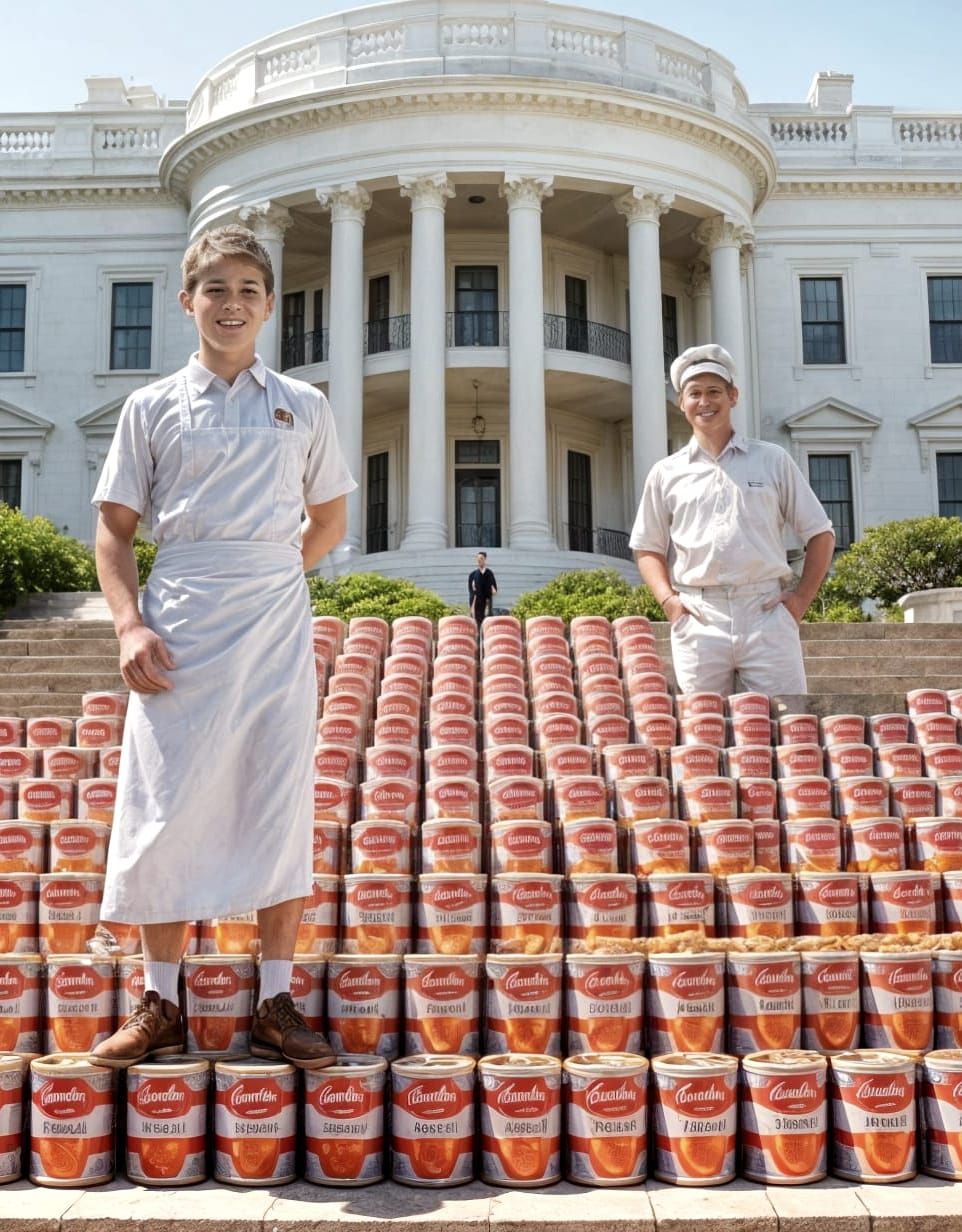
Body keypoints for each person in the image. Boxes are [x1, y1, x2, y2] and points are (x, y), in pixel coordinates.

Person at [89, 224, 357, 1069]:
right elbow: (114, 530)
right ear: (188, 301)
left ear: (269, 304)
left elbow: (330, 520)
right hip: (180, 624)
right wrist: (131, 623)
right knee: (165, 805)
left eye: (247, 289)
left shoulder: (304, 405)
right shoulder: (151, 406)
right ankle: (160, 1002)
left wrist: (273, 573)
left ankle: (275, 999)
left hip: (275, 625)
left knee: (276, 803)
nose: (231, 303)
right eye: (215, 288)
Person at [630, 343, 835, 696]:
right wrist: (669, 602)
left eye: (714, 392)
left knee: (788, 726)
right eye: (694, 393)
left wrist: (799, 600)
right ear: (681, 402)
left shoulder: (772, 460)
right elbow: (647, 546)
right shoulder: (666, 473)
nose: (705, 402)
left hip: (765, 611)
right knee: (703, 732)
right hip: (698, 615)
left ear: (733, 396)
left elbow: (821, 533)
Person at [468, 551, 497, 628]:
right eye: (477, 559)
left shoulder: (489, 573)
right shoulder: (472, 575)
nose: (479, 560)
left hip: (486, 603)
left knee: (487, 623)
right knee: (477, 624)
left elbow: (494, 589)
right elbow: (470, 591)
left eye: (481, 558)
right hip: (477, 604)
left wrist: (491, 589)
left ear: (485, 559)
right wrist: (472, 605)